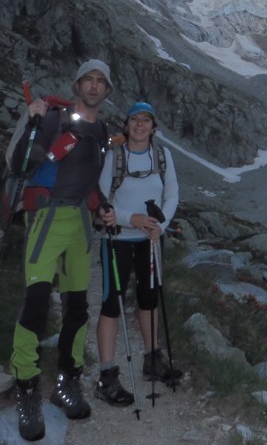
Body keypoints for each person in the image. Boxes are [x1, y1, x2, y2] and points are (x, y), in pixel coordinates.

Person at [9, 59, 117, 442]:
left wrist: (102, 204)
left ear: (107, 91)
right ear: (77, 84)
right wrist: (32, 122)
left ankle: (66, 382)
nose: (93, 86)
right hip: (48, 220)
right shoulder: (55, 119)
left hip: (81, 225)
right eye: (88, 79)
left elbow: (90, 178)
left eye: (100, 81)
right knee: (36, 303)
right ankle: (25, 388)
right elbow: (21, 161)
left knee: (76, 307)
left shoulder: (102, 130)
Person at [93, 100, 182, 406]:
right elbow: (102, 198)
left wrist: (162, 225)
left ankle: (152, 359)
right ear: (127, 125)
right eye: (134, 120)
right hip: (117, 237)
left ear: (153, 127)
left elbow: (171, 194)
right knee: (110, 302)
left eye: (146, 121)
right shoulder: (114, 156)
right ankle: (107, 373)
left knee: (149, 298)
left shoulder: (163, 155)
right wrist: (129, 218)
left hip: (151, 239)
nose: (140, 125)